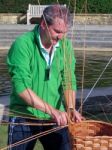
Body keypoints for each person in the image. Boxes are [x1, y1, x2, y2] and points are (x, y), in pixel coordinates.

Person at [7, 4, 83, 150]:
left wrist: (71, 107)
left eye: (64, 32)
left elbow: (68, 80)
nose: (61, 37)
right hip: (24, 116)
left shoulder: (65, 46)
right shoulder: (22, 45)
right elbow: (21, 87)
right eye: (57, 31)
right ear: (43, 24)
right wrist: (52, 111)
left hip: (55, 116)